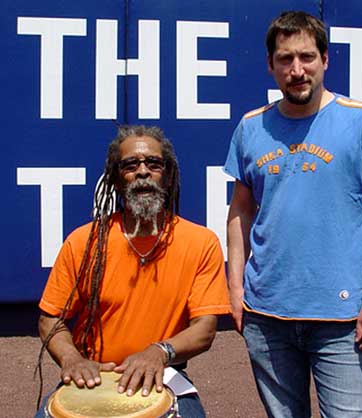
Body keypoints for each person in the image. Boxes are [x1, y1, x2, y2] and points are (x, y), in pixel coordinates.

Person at [224, 11, 362, 418]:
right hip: (265, 314)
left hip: (341, 319)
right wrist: (235, 288)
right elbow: (240, 210)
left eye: (307, 57)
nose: (297, 70)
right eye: (285, 59)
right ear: (270, 65)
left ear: (325, 60)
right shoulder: (251, 127)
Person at [36, 125, 230, 418]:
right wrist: (72, 359)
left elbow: (205, 329)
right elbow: (51, 319)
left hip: (164, 375)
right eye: (130, 165)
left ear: (168, 174)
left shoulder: (201, 242)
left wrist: (158, 353)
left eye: (153, 163)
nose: (143, 171)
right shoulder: (84, 241)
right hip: (92, 375)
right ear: (116, 177)